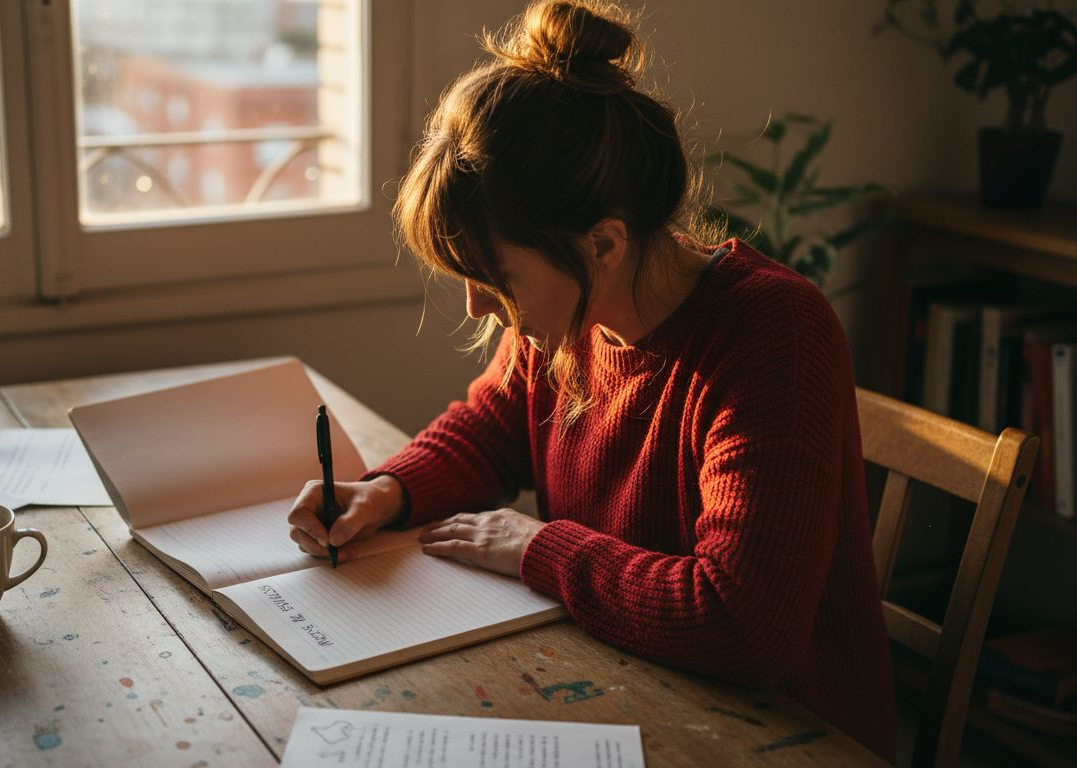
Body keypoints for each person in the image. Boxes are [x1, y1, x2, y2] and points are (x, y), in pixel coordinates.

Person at [286, 0, 896, 759]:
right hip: (624, 683)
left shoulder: (772, 333)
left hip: (783, 733)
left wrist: (538, 549)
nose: (478, 305)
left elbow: (746, 628)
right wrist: (387, 490)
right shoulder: (568, 319)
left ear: (604, 242)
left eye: (495, 278)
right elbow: (492, 427)